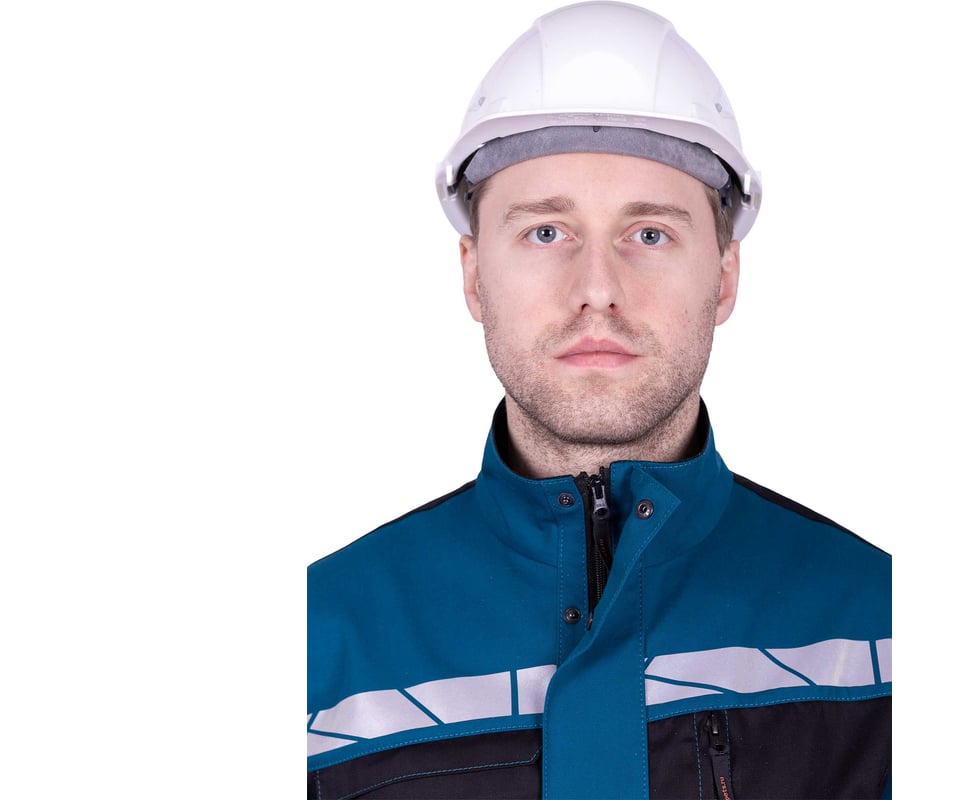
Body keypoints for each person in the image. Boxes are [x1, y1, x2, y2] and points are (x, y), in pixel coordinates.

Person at [307, 2, 891, 797]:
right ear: (474, 275)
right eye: (546, 232)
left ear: (724, 277)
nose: (597, 290)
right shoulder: (321, 645)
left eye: (649, 234)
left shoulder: (879, 629)